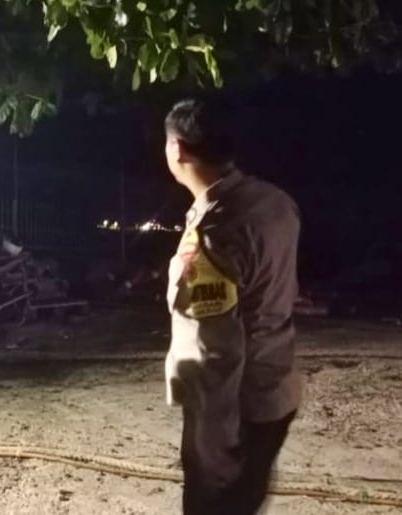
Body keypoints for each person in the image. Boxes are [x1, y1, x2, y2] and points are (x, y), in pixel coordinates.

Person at [162, 98, 302, 515]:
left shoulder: (213, 235)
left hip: (237, 414)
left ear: (178, 149)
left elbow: (214, 355)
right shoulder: (275, 202)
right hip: (276, 393)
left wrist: (215, 454)